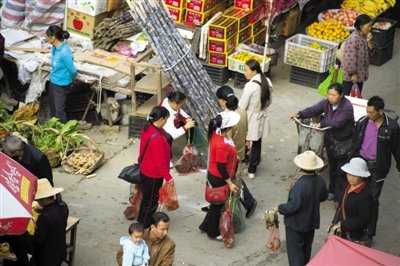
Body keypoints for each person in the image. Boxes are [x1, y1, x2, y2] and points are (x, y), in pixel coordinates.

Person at [289, 83, 354, 202]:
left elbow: (337, 122)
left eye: (334, 95)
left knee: (342, 171)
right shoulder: (327, 103)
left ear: (341, 95)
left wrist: (321, 123)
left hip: (344, 142)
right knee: (333, 168)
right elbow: (314, 110)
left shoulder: (347, 107)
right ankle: (332, 191)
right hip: (330, 140)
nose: (331, 97)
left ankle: (340, 198)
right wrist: (299, 114)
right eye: (329, 94)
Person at [349, 96, 400, 243]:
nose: (368, 114)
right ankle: (355, 229)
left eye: (371, 112)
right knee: (356, 197)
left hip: (377, 168)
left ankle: (369, 233)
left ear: (381, 111)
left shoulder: (392, 127)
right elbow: (355, 143)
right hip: (361, 164)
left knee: (372, 200)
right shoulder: (362, 122)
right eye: (367, 111)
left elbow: (397, 149)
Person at [276, 151, 328, 266]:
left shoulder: (300, 184)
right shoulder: (320, 180)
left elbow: (293, 207)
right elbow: (324, 196)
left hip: (296, 224)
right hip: (311, 222)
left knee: (296, 254)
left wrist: (280, 208)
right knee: (306, 249)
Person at [215, 85, 257, 218]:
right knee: (233, 178)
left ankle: (249, 201)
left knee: (231, 180)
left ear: (222, 101)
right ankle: (215, 204)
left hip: (231, 155)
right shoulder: (242, 111)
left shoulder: (227, 117)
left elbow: (226, 139)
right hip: (240, 150)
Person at [199, 112, 240, 239]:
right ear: (227, 128)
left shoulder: (215, 135)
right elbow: (221, 167)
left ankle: (205, 225)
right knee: (217, 206)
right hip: (219, 178)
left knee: (215, 205)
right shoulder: (222, 145)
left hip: (214, 175)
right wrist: (230, 183)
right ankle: (212, 232)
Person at [138, 106, 174, 229]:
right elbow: (160, 163)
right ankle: (144, 227)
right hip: (153, 175)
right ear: (161, 119)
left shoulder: (147, 127)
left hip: (145, 169)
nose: (167, 122)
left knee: (146, 199)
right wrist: (169, 178)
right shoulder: (157, 138)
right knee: (151, 203)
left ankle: (141, 221)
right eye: (166, 119)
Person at [239, 59, 272, 179]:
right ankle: (253, 168)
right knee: (257, 141)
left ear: (254, 71)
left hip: (250, 116)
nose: (244, 73)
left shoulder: (250, 86)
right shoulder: (267, 81)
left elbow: (242, 106)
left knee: (243, 139)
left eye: (246, 70)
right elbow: (270, 101)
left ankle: (243, 161)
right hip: (261, 115)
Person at [330, 158, 372, 245]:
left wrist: (343, 225)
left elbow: (364, 219)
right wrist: (333, 223)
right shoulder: (348, 185)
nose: (351, 178)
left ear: (361, 176)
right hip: (339, 229)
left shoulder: (365, 195)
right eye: (349, 174)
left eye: (355, 175)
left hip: (353, 235)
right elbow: (341, 206)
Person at [31, 179, 69, 266]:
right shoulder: (63, 205)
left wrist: (25, 235)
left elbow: (37, 242)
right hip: (60, 252)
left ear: (43, 199)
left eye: (38, 200)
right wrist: (43, 210)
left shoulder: (44, 217)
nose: (38, 202)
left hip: (47, 258)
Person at [46, 25, 77, 123]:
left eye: (48, 36)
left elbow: (73, 71)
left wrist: (72, 81)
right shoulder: (54, 47)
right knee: (53, 107)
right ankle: (54, 128)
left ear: (54, 37)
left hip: (61, 85)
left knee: (59, 111)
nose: (47, 38)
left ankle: (64, 132)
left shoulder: (65, 52)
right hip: (53, 81)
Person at [161, 91, 195, 167]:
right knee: (167, 138)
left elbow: (179, 111)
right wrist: (186, 127)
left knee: (192, 122)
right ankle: (166, 159)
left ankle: (189, 146)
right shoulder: (167, 115)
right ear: (175, 104)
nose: (182, 106)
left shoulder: (169, 100)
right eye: (181, 104)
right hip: (161, 131)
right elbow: (172, 135)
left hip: (171, 124)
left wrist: (187, 118)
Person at [341, 14, 373, 95]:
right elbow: (350, 58)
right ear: (361, 27)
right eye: (368, 26)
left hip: (360, 74)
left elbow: (371, 53)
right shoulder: (353, 39)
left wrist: (369, 41)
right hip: (350, 77)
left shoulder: (364, 37)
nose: (370, 28)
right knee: (347, 97)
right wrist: (353, 74)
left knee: (356, 96)